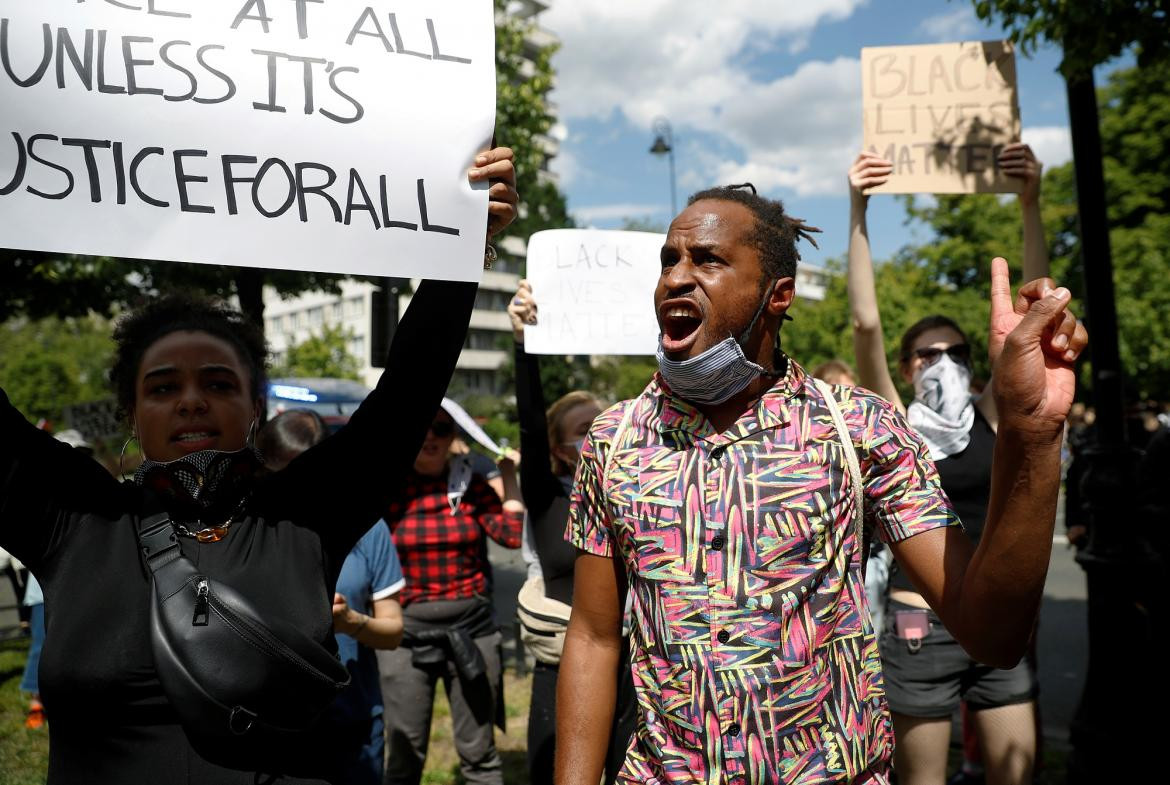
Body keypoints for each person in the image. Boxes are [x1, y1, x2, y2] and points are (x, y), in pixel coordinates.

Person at [0, 146, 517, 785]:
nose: (191, 399)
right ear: (132, 414)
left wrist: (462, 249)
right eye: (162, 388)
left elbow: (408, 392)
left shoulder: (303, 516)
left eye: (218, 383)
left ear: (253, 408)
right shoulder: (76, 522)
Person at [555, 183, 1086, 785]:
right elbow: (595, 638)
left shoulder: (858, 428)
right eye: (668, 260)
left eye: (707, 260)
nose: (676, 278)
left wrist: (1033, 432)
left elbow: (992, 633)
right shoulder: (614, 439)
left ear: (777, 295)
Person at [848, 145, 1049, 785]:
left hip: (996, 618)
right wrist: (858, 208)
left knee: (1016, 772)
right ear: (907, 369)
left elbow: (1036, 320)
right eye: (928, 354)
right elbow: (865, 321)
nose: (944, 363)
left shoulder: (990, 413)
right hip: (918, 624)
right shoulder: (894, 421)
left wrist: (1030, 201)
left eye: (956, 352)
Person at [508, 280, 636, 785]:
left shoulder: (635, 496)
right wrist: (523, 346)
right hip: (562, 668)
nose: (598, 434)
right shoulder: (545, 495)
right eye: (584, 430)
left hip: (633, 670)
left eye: (603, 423)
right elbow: (529, 430)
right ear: (560, 451)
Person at [257, 410, 406, 785]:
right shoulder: (247, 530)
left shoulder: (369, 528)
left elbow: (393, 632)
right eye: (282, 475)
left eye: (306, 475)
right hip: (270, 726)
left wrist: (351, 622)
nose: (294, 488)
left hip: (352, 723)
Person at [378, 404, 524, 785]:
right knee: (404, 756)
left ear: (454, 436)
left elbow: (509, 535)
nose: (430, 436)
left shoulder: (472, 486)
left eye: (441, 429)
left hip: (472, 633)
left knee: (480, 755)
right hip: (405, 638)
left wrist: (508, 476)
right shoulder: (388, 488)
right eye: (421, 427)